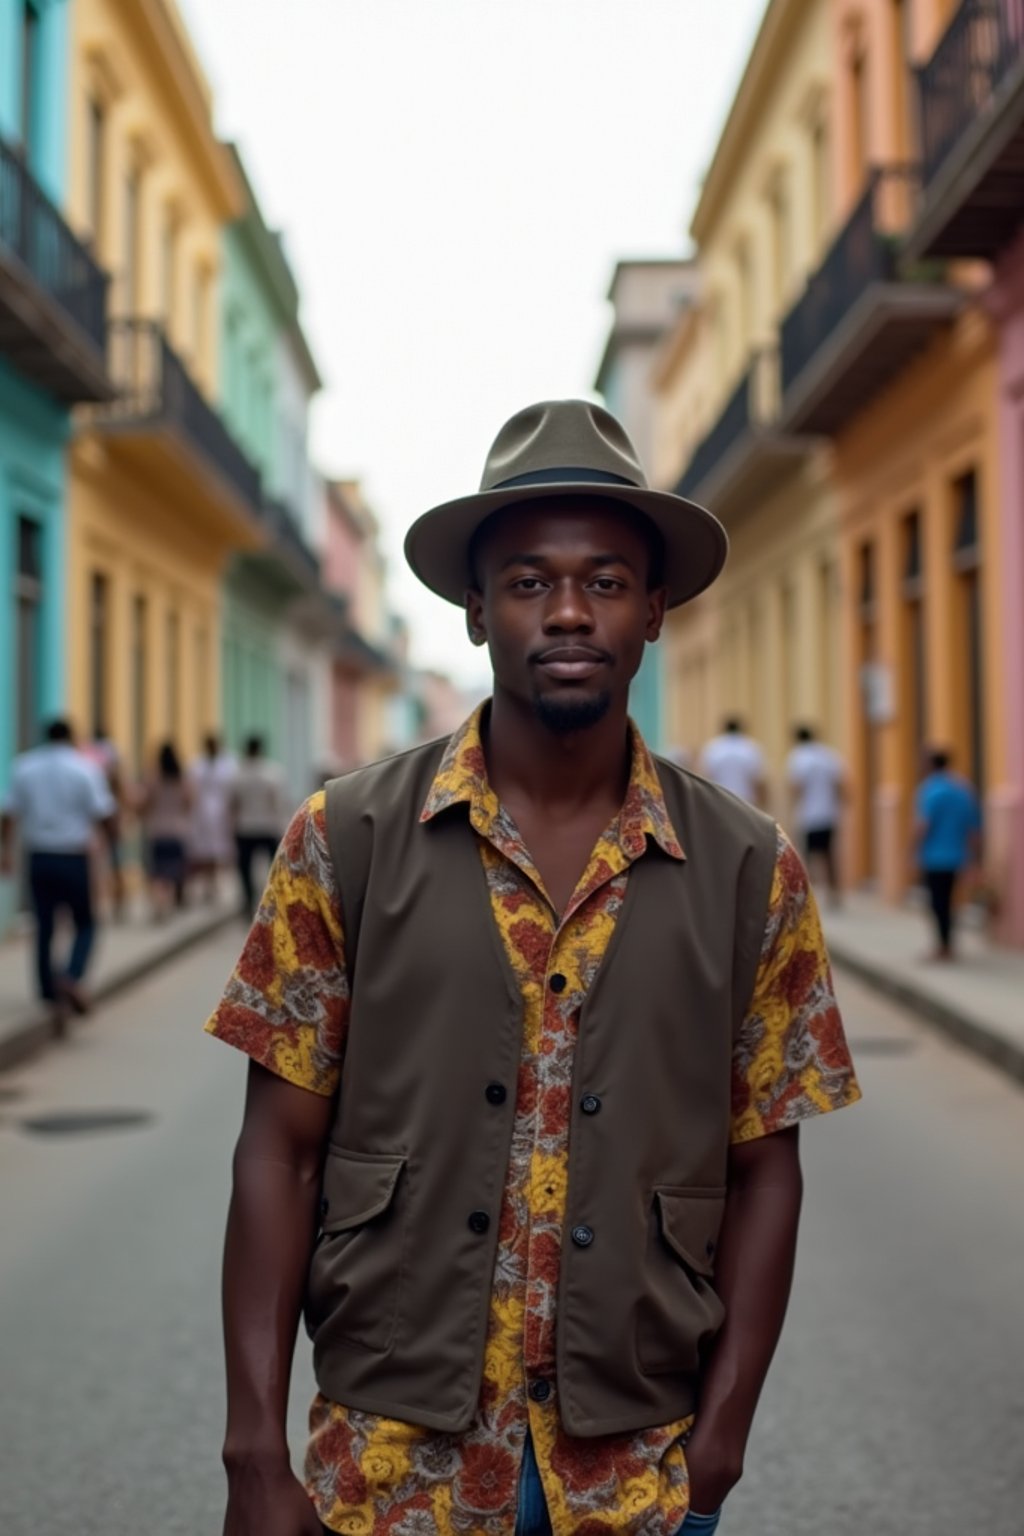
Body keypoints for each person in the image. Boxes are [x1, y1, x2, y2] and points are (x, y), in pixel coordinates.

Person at [206, 399, 861, 1536]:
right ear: (475, 610)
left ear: (654, 609)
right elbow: (279, 1149)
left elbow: (766, 1169)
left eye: (606, 581)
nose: (568, 611)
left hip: (636, 1476)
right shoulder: (344, 839)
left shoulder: (751, 869)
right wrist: (254, 1457)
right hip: (390, 1471)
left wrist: (720, 1445)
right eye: (527, 581)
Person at [0, 719, 116, 1020]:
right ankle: (71, 975)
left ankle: (47, 992)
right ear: (71, 738)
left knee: (44, 925)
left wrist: (5, 852)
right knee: (86, 922)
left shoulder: (24, 766)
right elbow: (104, 813)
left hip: (39, 856)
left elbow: (9, 814)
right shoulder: (84, 768)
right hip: (73, 857)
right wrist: (108, 849)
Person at [912, 748, 982, 961]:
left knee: (937, 902)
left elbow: (923, 824)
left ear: (931, 765)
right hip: (957, 855)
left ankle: (943, 946)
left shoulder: (930, 790)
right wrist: (976, 857)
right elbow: (974, 829)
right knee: (949, 900)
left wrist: (912, 849)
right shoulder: (963, 790)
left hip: (934, 857)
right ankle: (948, 943)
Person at [786, 726, 846, 906]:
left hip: (808, 815)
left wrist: (794, 806)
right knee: (829, 855)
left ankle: (806, 896)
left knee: (806, 857)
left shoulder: (798, 757)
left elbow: (796, 787)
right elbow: (839, 785)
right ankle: (834, 894)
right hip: (828, 813)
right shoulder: (829, 756)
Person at [231, 734, 289, 917]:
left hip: (245, 827)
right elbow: (277, 802)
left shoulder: (238, 774)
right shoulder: (272, 773)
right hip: (268, 827)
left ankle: (248, 901)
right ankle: (273, 899)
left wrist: (232, 826)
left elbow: (233, 804)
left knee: (245, 868)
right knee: (274, 868)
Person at [138, 742, 192, 921]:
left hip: (157, 831)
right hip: (177, 831)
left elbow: (144, 803)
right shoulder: (181, 779)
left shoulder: (153, 779)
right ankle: (166, 903)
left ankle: (159, 905)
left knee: (157, 872)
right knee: (171, 872)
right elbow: (189, 803)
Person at [80, 725, 127, 919]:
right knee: (112, 865)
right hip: (102, 823)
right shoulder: (103, 758)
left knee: (101, 867)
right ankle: (113, 904)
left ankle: (105, 904)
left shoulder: (86, 758)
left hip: (96, 823)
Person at [189, 734, 237, 901]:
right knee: (203, 852)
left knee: (219, 850)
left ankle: (216, 883)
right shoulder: (197, 764)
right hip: (201, 813)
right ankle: (207, 885)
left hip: (221, 812)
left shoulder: (229, 765)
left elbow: (232, 790)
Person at [700, 718, 767, 807]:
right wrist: (763, 805)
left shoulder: (713, 748)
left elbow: (706, 777)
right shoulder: (750, 747)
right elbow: (759, 780)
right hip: (745, 801)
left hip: (720, 800)